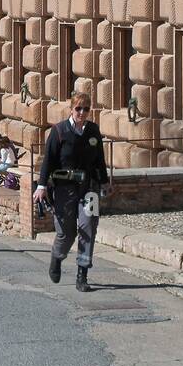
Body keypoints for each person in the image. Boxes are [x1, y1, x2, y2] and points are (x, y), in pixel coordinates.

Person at [33, 92, 108, 293]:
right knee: (66, 233)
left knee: (88, 227)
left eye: (86, 109)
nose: (82, 112)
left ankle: (82, 275)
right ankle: (57, 257)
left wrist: (104, 182)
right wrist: (41, 186)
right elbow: (48, 160)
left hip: (88, 188)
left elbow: (100, 160)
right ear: (71, 109)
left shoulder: (93, 131)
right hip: (65, 188)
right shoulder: (59, 131)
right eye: (78, 108)